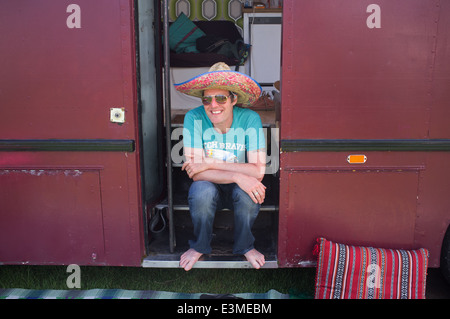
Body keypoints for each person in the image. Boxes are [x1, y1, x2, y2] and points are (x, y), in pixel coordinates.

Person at [175, 62, 267, 271]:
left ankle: (245, 245)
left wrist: (209, 162)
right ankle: (200, 245)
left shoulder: (250, 118)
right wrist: (238, 176)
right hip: (210, 183)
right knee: (201, 191)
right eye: (207, 99)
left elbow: (258, 171)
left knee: (249, 192)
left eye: (221, 98)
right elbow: (195, 173)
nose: (213, 105)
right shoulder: (194, 117)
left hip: (220, 177)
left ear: (233, 99)